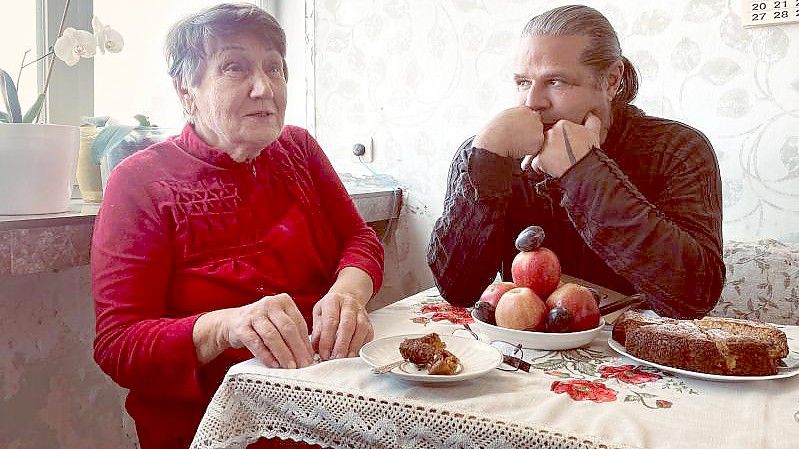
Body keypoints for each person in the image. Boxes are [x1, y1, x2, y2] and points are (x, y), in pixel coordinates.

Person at [91, 4, 383, 449]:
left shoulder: (298, 149)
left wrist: (348, 292)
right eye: (234, 67)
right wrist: (226, 326)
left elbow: (358, 238)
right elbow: (119, 346)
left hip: (329, 405)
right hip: (216, 426)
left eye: (274, 68)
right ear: (186, 89)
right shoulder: (139, 182)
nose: (264, 87)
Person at [427, 5, 724, 319]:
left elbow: (695, 297)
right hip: (524, 353)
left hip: (635, 353)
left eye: (556, 82)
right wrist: (485, 159)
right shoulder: (495, 151)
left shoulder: (677, 150)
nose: (533, 102)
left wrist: (584, 172)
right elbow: (458, 291)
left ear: (611, 80)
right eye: (523, 82)